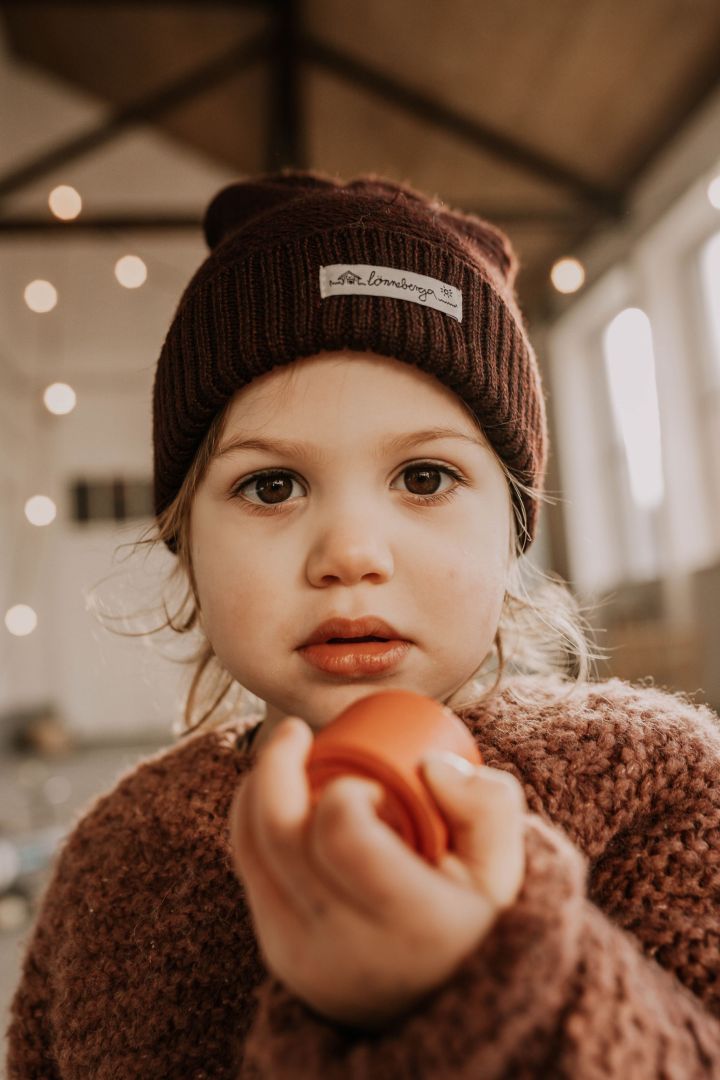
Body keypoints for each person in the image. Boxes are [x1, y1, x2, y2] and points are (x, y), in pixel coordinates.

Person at [6, 170, 720, 1078]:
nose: (350, 552)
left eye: (425, 478)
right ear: (185, 542)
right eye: (271, 486)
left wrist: (481, 981)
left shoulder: (660, 787)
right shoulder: (115, 862)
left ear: (515, 528)